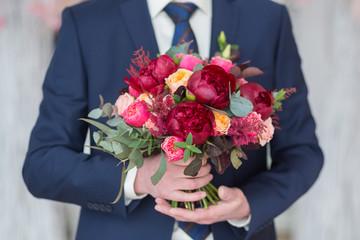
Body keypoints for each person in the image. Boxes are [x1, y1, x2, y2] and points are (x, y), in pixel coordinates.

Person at [22, 0, 324, 239]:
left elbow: (302, 152)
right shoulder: (87, 23)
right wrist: (139, 178)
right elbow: (43, 163)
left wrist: (248, 203)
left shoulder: (267, 19)